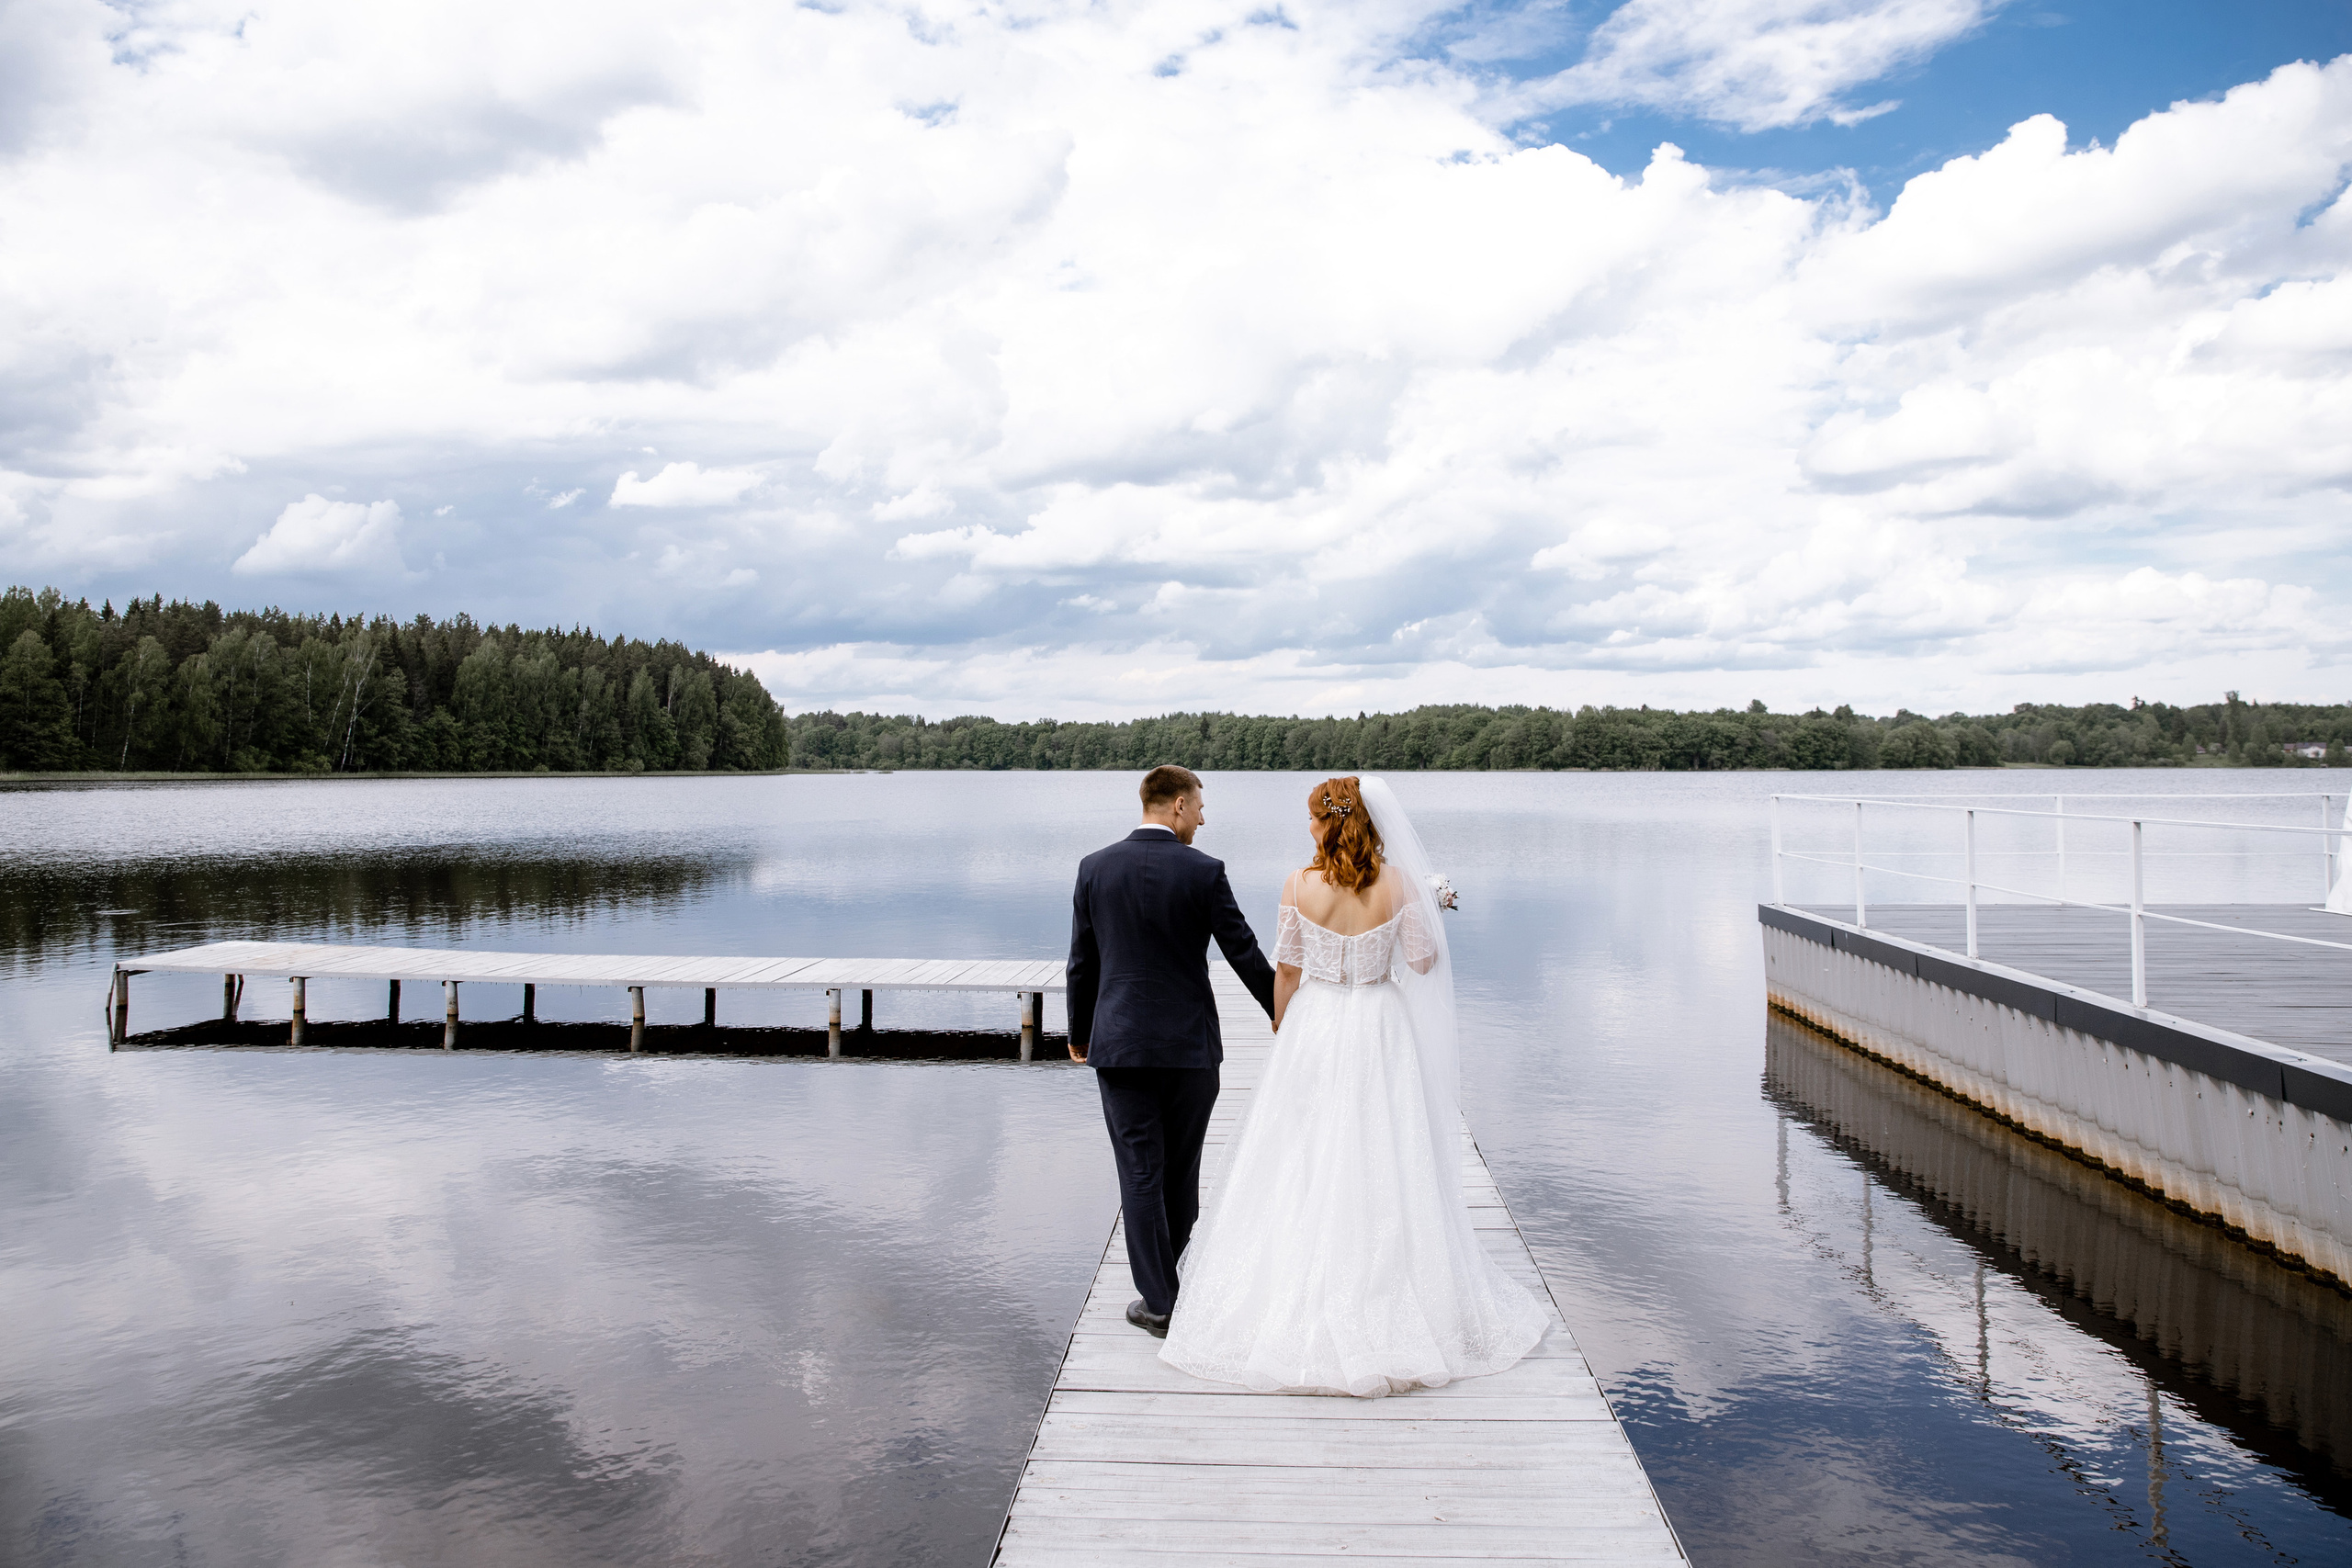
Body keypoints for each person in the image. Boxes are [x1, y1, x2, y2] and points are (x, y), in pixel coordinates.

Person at [1159, 773, 1548, 1396]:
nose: (1309, 827)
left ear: (1330, 822)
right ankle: (1388, 1279)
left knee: (1304, 1149)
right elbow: (1421, 961)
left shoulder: (1297, 883)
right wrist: (1430, 907)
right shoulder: (1398, 884)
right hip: (1378, 1021)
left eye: (1314, 817)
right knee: (1383, 1146)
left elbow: (1288, 970)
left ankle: (1300, 1282)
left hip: (1316, 1023)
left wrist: (1283, 1024)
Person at [1067, 764, 1277, 1337]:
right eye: (1200, 807)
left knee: (1140, 1173)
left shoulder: (1094, 868)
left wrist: (1079, 1032)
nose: (1203, 820)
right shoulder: (1204, 871)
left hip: (1120, 1047)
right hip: (1189, 1049)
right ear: (1178, 804)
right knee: (1182, 1173)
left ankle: (1160, 1302)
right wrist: (1283, 1012)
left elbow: (1082, 961)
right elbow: (1244, 951)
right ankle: (1176, 1282)